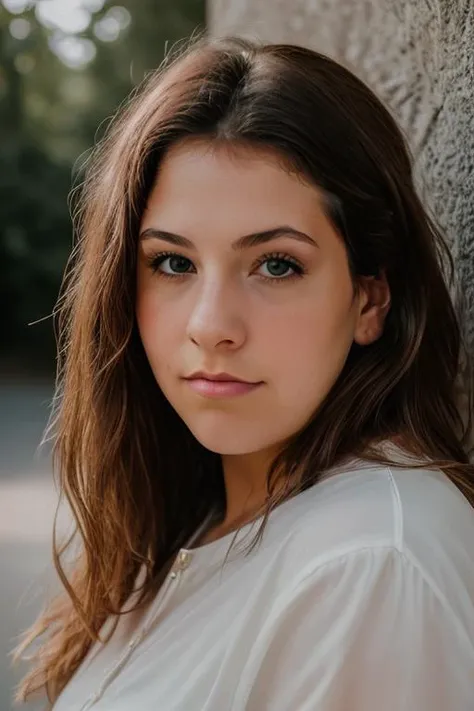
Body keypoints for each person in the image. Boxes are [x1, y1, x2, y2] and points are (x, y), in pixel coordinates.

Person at [12, 36, 474, 710]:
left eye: (276, 264)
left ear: (371, 298)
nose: (211, 324)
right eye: (173, 262)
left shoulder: (369, 564)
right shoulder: (198, 520)